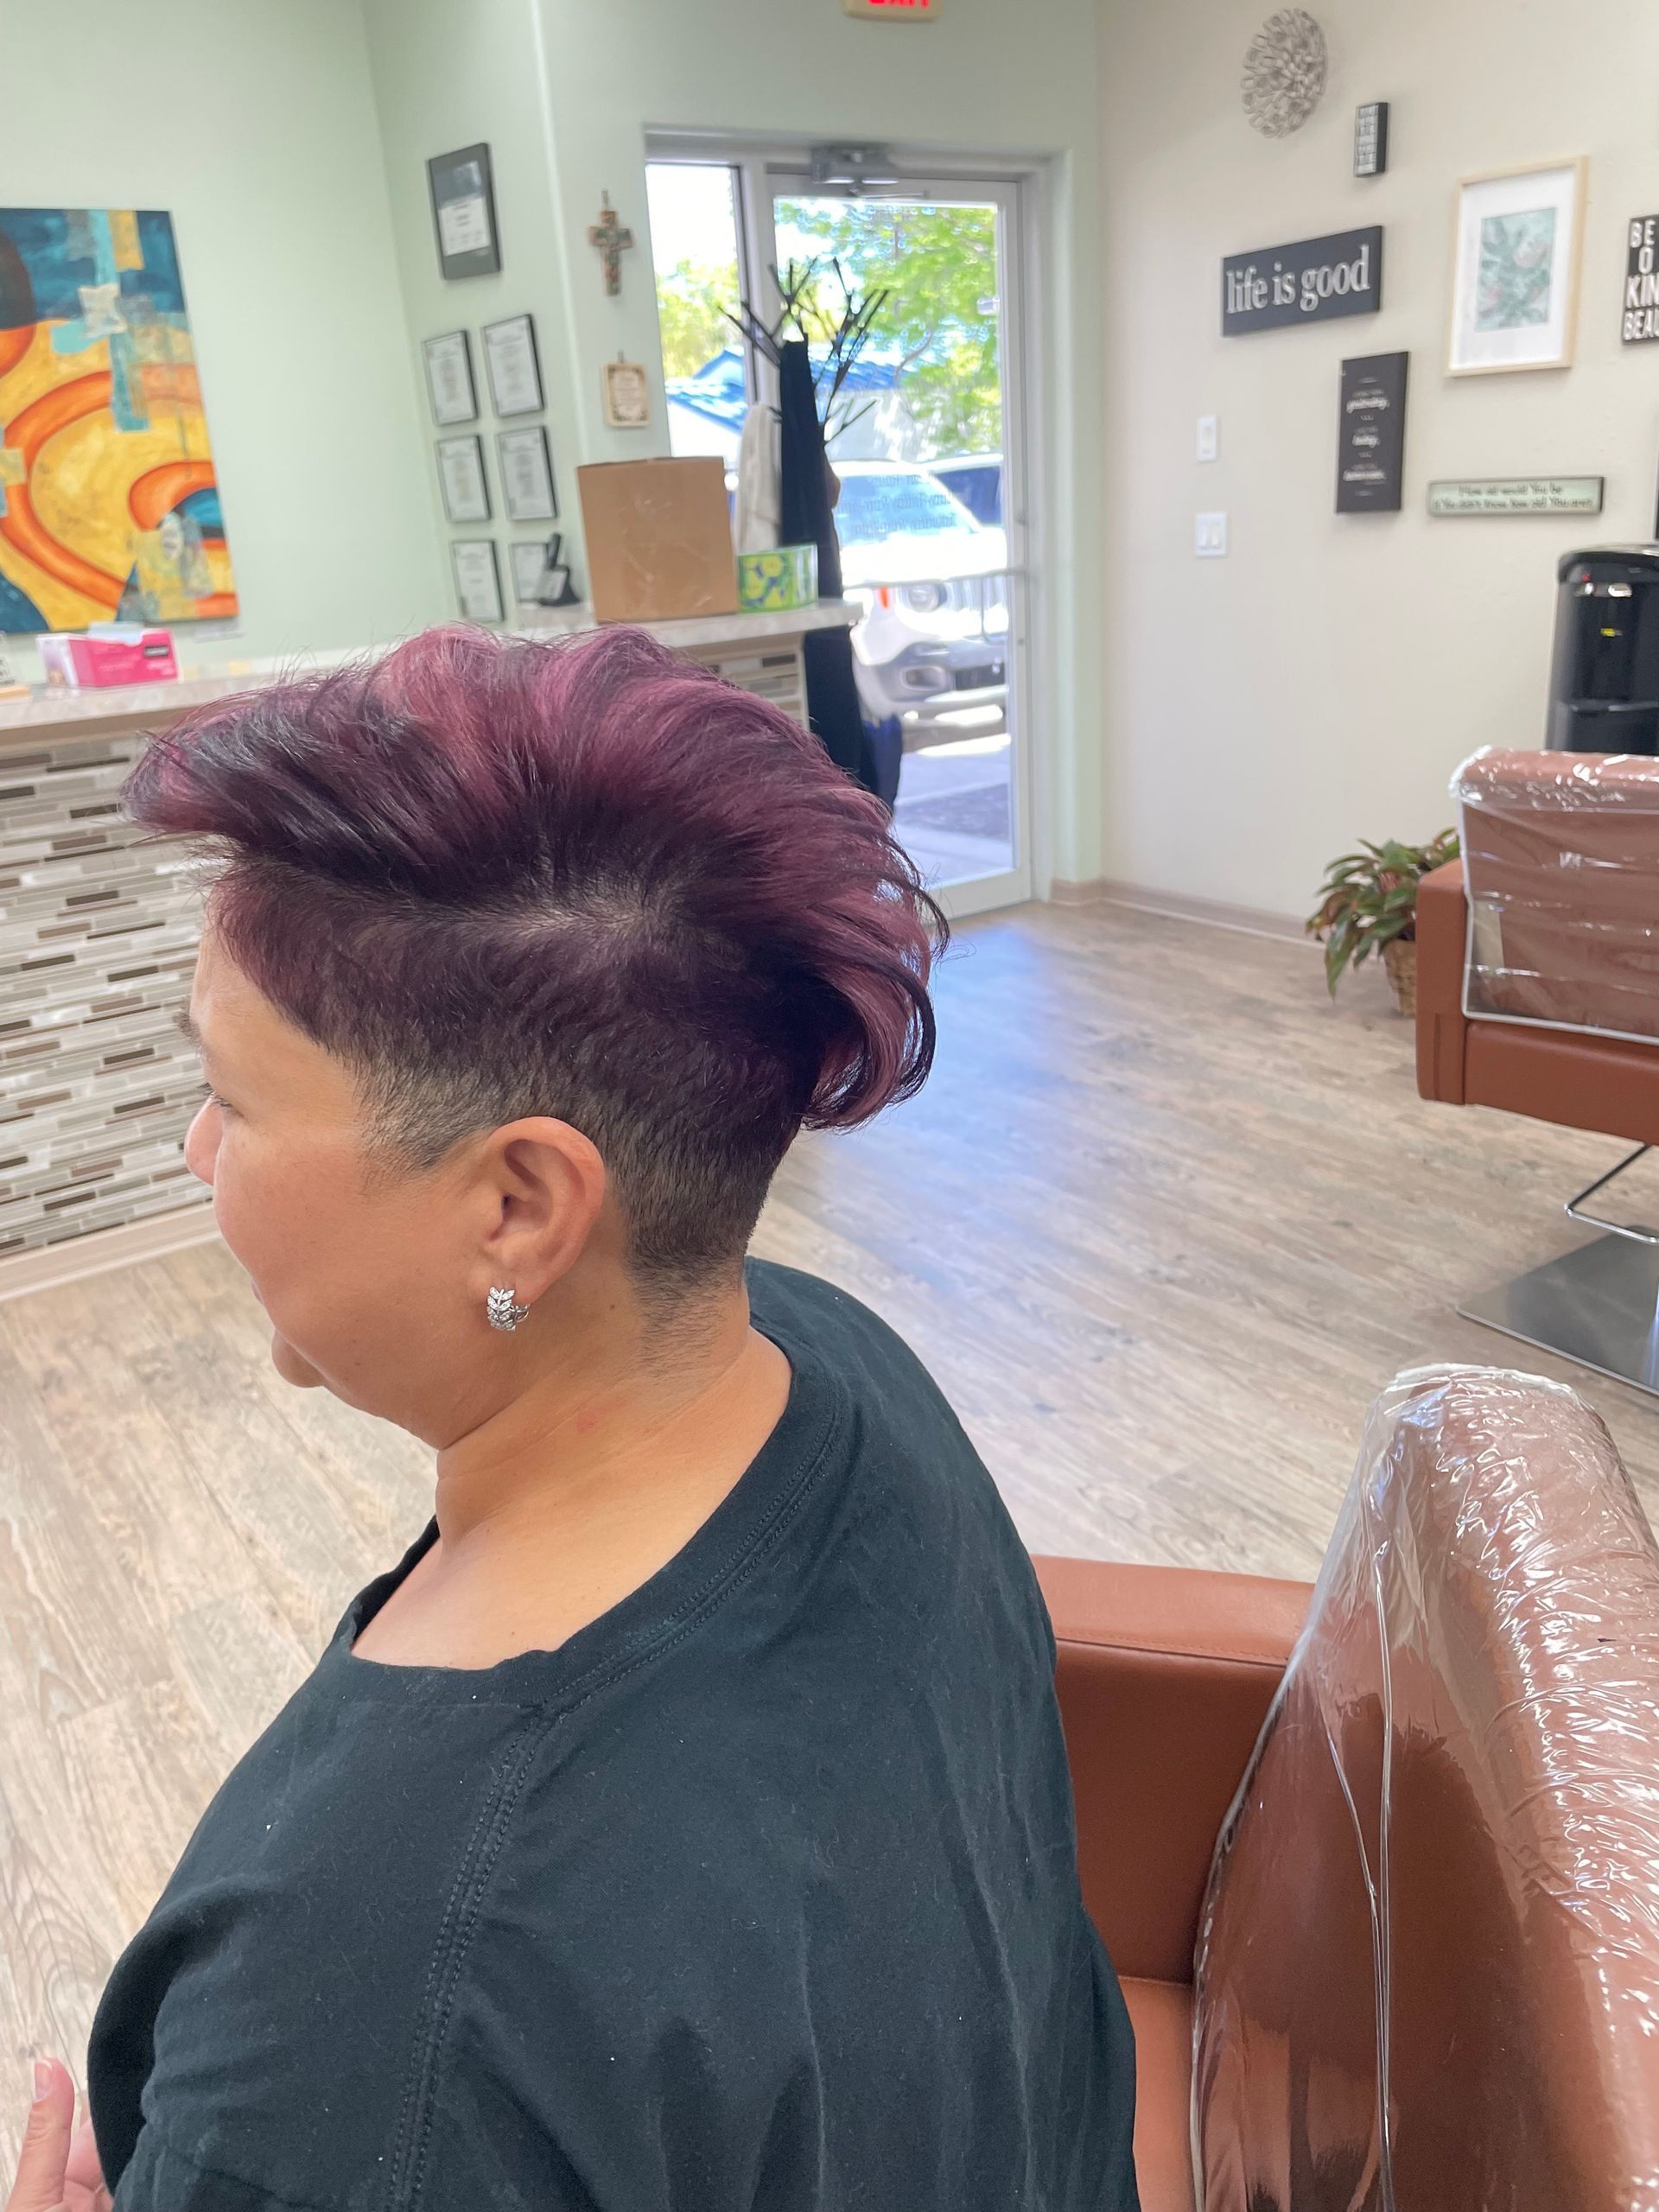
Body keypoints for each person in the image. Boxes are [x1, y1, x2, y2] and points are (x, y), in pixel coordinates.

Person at [13, 626, 1140, 2212]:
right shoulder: (828, 1360)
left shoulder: (376, 2007)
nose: (201, 1153)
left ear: (519, 1207)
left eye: (238, 1099)